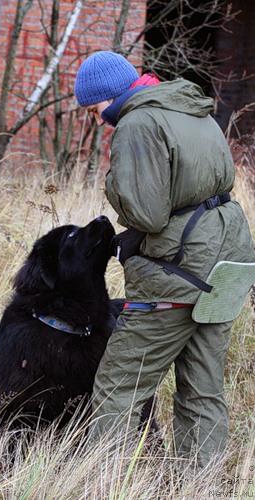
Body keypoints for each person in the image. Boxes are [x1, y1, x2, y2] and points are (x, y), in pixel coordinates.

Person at [73, 51, 255, 468]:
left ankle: (105, 484)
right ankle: (200, 486)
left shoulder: (137, 123)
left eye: (94, 108)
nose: (97, 118)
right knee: (203, 387)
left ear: (109, 95)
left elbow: (147, 214)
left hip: (179, 268)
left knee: (119, 384)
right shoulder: (191, 110)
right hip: (229, 257)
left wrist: (114, 184)